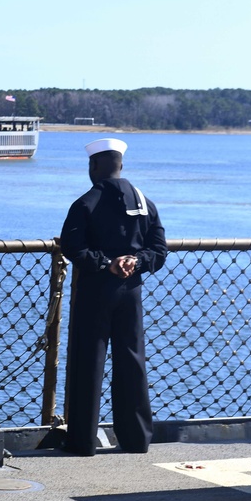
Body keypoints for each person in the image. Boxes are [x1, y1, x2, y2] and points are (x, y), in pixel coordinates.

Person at [60, 138, 167, 456]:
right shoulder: (145, 203)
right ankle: (136, 439)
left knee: (88, 362)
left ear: (94, 166)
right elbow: (159, 251)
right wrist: (135, 262)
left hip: (96, 290)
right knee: (132, 361)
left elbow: (72, 248)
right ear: (121, 166)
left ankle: (81, 441)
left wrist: (107, 264)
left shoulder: (85, 203)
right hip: (131, 291)